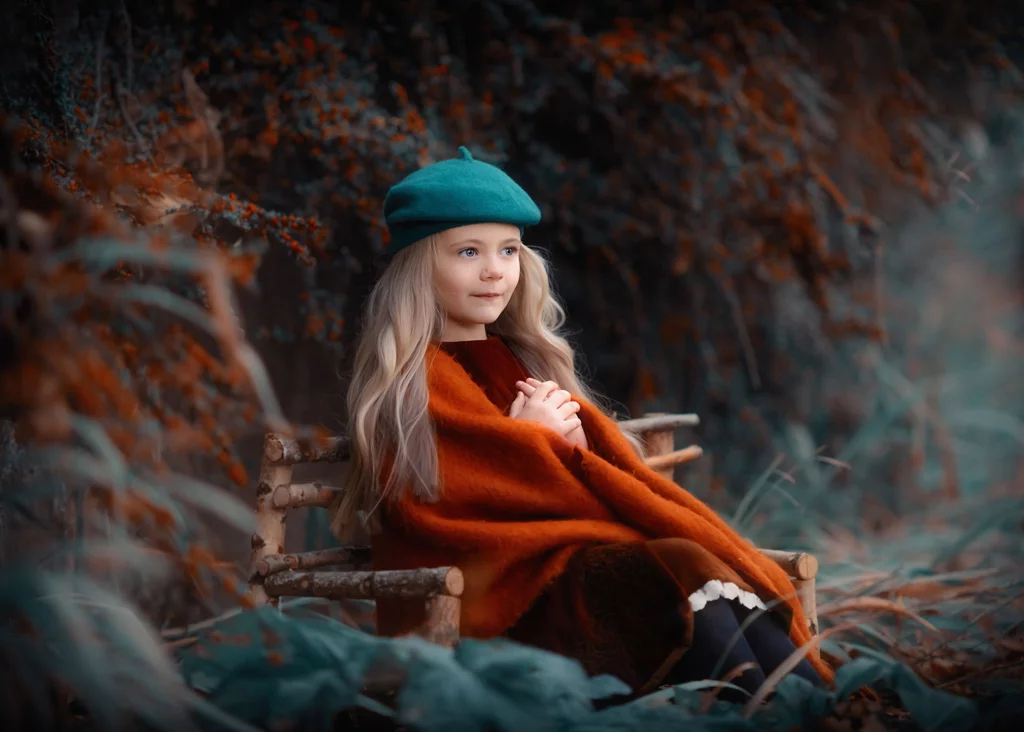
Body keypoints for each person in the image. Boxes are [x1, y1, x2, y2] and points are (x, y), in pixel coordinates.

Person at [329, 146, 831, 699]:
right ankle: (774, 708)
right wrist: (537, 444)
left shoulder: (524, 359)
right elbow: (443, 507)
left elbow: (586, 477)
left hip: (559, 563)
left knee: (693, 567)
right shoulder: (414, 381)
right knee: (681, 565)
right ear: (419, 264)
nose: (495, 270)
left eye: (509, 250)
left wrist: (571, 450)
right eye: (467, 251)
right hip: (495, 591)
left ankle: (803, 703)